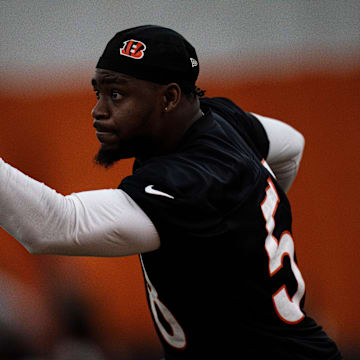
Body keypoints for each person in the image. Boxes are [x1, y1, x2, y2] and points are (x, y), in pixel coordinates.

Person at [0, 25, 342, 359]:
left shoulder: (191, 182)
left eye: (117, 94)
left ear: (170, 97)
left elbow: (57, 225)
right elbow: (292, 144)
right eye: (98, 92)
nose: (98, 110)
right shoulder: (220, 119)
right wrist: (248, 222)